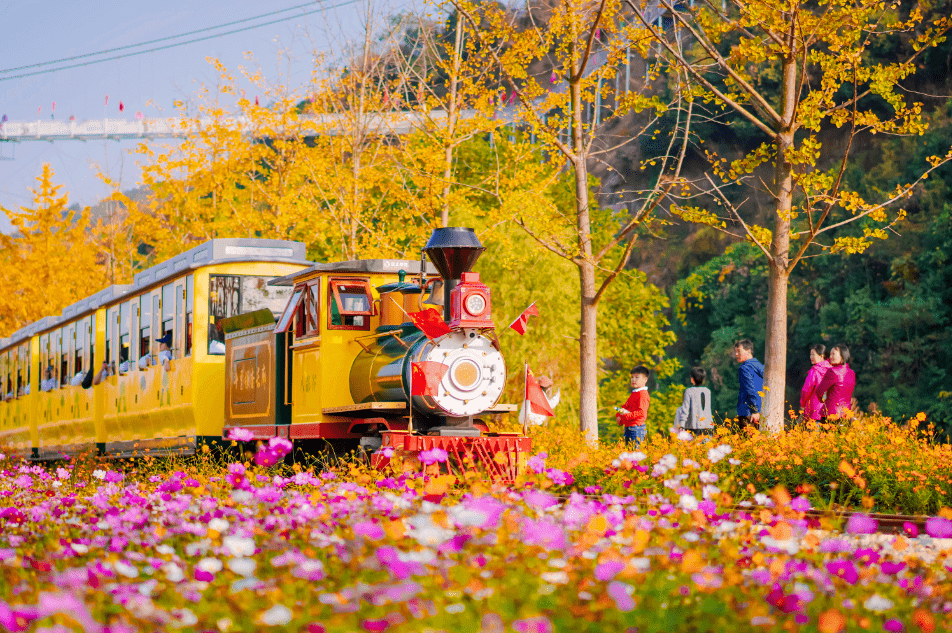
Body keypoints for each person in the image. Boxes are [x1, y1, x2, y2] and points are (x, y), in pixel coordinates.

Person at [816, 344, 856, 421]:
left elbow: (819, 391)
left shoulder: (832, 371)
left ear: (842, 356)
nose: (830, 357)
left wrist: (822, 400)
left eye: (833, 354)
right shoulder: (852, 373)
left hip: (831, 414)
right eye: (830, 354)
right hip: (846, 414)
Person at [616, 365, 650, 447]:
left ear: (645, 379)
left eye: (637, 377)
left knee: (635, 454)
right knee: (629, 452)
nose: (633, 380)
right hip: (629, 427)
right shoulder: (635, 393)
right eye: (632, 377)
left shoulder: (643, 394)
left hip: (636, 428)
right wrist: (619, 416)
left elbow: (641, 412)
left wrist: (625, 416)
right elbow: (625, 407)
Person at [673, 367, 714, 436]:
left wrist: (682, 425)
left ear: (692, 379)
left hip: (695, 427)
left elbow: (685, 409)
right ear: (703, 379)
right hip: (708, 426)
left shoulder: (689, 391)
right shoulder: (708, 391)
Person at [734, 339, 764, 428]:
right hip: (761, 411)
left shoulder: (745, 368)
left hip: (748, 412)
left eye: (739, 351)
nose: (736, 354)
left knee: (745, 440)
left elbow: (750, 390)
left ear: (748, 351)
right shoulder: (760, 366)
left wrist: (754, 410)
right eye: (736, 352)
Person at [799, 344, 831, 423]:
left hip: (815, 411)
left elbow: (806, 390)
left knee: (813, 434)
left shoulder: (814, 371)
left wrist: (802, 405)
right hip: (830, 411)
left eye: (813, 354)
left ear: (821, 356)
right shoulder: (832, 370)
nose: (811, 357)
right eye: (810, 354)